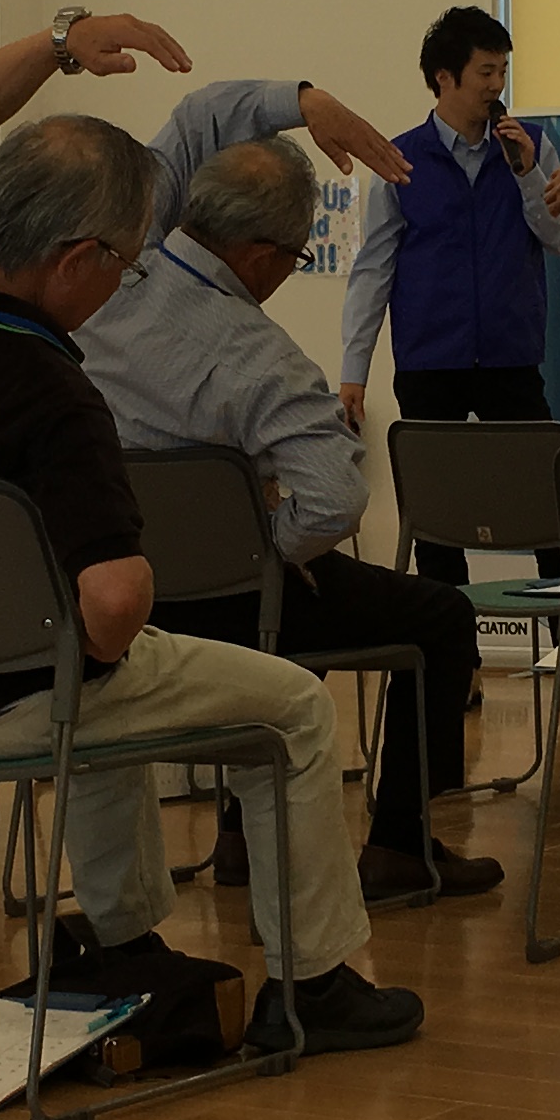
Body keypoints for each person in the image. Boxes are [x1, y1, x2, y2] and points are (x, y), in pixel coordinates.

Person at [0, 11, 425, 1053]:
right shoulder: (53, 394)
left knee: (100, 675)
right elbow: (112, 604)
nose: (127, 281)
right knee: (282, 707)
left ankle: (124, 938)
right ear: (75, 260)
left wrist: (61, 43)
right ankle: (316, 983)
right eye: (122, 261)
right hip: (12, 706)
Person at [79, 78, 507, 904]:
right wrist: (268, 541)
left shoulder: (114, 274)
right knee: (440, 618)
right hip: (232, 605)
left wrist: (305, 102)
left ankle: (241, 836)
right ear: (260, 257)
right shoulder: (264, 361)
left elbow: (194, 118)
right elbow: (334, 503)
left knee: (263, 605)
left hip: (115, 588)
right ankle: (399, 843)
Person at [336, 5, 560, 586]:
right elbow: (374, 268)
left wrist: (527, 174)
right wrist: (353, 370)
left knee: (545, 502)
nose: (497, 85)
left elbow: (559, 238)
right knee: (437, 519)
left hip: (511, 356)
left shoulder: (532, 148)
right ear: (444, 77)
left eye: (503, 71)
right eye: (485, 72)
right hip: (429, 360)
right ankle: (449, 637)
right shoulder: (399, 159)